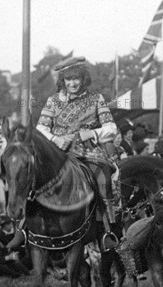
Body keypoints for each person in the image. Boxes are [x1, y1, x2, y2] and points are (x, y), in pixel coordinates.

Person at [37, 56, 119, 227]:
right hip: (57, 152)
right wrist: (55, 138)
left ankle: (107, 227)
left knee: (103, 178)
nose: (73, 83)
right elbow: (41, 129)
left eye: (76, 79)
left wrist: (91, 133)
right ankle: (22, 227)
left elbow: (111, 128)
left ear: (83, 79)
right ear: (63, 80)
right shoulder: (53, 100)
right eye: (69, 79)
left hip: (87, 152)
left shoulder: (97, 99)